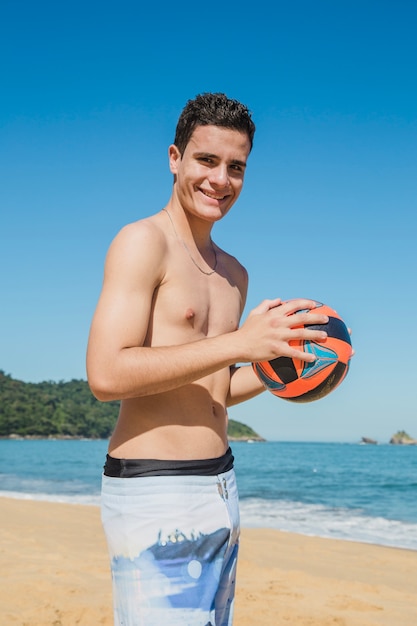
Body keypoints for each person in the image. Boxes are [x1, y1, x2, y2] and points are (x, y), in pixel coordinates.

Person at [86, 92, 329, 626]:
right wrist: (241, 344)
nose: (221, 180)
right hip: (153, 488)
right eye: (207, 160)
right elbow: (106, 375)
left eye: (236, 167)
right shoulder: (141, 241)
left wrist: (280, 363)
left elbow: (215, 388)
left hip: (220, 482)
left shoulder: (234, 273)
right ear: (175, 159)